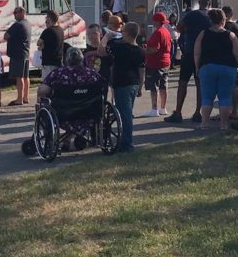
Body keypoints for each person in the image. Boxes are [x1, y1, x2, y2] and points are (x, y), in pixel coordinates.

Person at [38, 47, 106, 146]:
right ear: (82, 59)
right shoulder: (92, 74)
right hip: (89, 114)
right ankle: (86, 137)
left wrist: (40, 98)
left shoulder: (58, 74)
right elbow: (103, 87)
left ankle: (55, 141)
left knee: (46, 105)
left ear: (66, 59)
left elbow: (43, 90)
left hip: (63, 115)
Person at [195, 8, 238, 130]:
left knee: (207, 97)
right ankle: (224, 124)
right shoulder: (231, 35)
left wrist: (197, 67)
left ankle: (204, 123)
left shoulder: (203, 34)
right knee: (225, 97)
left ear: (210, 20)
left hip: (207, 67)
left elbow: (197, 53)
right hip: (228, 68)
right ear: (223, 20)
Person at [165, 0, 212, 124]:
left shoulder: (192, 14)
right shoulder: (211, 16)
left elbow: (179, 27)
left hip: (189, 51)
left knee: (183, 82)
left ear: (199, 2)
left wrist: (188, 30)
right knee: (200, 83)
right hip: (204, 54)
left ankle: (178, 112)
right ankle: (198, 113)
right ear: (209, 3)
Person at [110, 22, 146, 152]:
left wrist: (107, 37)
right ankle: (125, 141)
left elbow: (102, 50)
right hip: (134, 83)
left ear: (128, 34)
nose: (121, 33)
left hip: (122, 84)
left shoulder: (120, 48)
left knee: (125, 115)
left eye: (123, 31)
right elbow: (141, 71)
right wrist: (140, 86)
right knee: (127, 113)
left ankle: (127, 143)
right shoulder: (140, 51)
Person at [141, 12, 173, 117]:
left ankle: (154, 109)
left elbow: (154, 49)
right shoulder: (166, 31)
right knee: (164, 85)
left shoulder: (157, 33)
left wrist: (144, 50)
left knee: (154, 86)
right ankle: (163, 108)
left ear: (157, 21)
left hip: (155, 63)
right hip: (166, 62)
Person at [4, 6, 32, 106]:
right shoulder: (28, 24)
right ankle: (26, 97)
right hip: (25, 53)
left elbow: (6, 36)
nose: (14, 15)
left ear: (22, 13)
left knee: (19, 77)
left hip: (17, 54)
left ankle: (19, 99)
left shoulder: (18, 25)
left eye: (16, 13)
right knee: (26, 76)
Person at [38, 10, 65, 78]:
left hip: (49, 62)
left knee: (47, 82)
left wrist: (42, 46)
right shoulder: (61, 30)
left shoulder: (47, 31)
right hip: (59, 61)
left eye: (46, 17)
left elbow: (38, 43)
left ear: (49, 18)